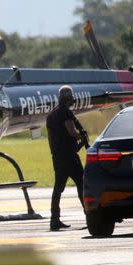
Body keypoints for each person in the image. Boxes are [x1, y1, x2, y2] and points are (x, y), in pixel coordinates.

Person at [46, 85, 86, 231]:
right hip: (69, 157)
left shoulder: (51, 115)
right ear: (69, 98)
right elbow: (71, 131)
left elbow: (53, 137)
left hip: (57, 157)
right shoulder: (66, 114)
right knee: (82, 185)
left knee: (58, 188)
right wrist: (81, 136)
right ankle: (90, 215)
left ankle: (54, 220)